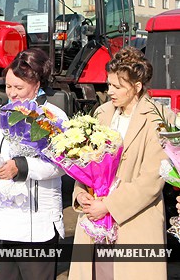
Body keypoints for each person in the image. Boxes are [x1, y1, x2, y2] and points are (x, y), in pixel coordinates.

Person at [0, 49, 68, 280]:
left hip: (35, 222)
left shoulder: (52, 116)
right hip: (1, 219)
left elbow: (61, 164)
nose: (12, 93)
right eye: (8, 87)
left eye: (18, 88)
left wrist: (21, 167)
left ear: (37, 83)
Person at [69, 47, 167, 279]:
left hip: (134, 220)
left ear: (137, 87)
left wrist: (109, 206)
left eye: (117, 86)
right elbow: (83, 160)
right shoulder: (102, 113)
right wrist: (81, 192)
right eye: (109, 84)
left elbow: (152, 180)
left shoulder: (158, 118)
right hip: (94, 219)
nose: (109, 91)